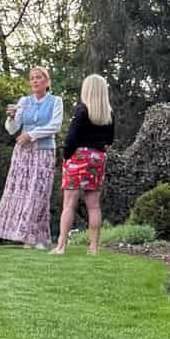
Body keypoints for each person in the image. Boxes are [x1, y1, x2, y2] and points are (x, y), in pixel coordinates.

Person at [0, 66, 62, 248]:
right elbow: (12, 129)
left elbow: (55, 126)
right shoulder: (24, 101)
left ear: (47, 81)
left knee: (38, 193)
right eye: (32, 78)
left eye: (39, 77)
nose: (35, 81)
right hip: (23, 153)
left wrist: (31, 134)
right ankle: (24, 236)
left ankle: (37, 236)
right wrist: (11, 118)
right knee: (21, 193)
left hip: (44, 151)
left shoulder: (56, 101)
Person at [54, 75, 115, 255]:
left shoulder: (82, 110)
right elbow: (110, 140)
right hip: (98, 158)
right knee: (94, 206)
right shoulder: (109, 113)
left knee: (69, 204)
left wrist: (66, 156)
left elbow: (71, 138)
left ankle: (61, 246)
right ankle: (94, 248)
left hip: (78, 157)